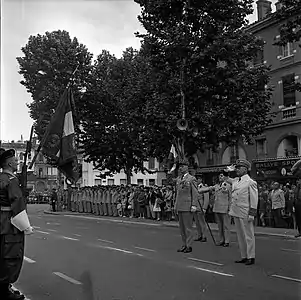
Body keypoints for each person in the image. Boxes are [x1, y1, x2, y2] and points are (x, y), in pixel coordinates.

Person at [0, 148, 33, 300]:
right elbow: (17, 203)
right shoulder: (11, 180)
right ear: (8, 162)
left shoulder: (1, 177)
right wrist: (25, 225)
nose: (17, 162)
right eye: (14, 160)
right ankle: (5, 290)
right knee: (10, 255)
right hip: (9, 222)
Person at [223, 159, 258, 266]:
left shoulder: (250, 182)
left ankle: (251, 256)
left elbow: (254, 198)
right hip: (236, 211)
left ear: (246, 169)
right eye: (236, 168)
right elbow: (225, 178)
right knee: (240, 236)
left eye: (239, 168)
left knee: (248, 235)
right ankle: (244, 256)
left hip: (245, 211)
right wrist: (227, 170)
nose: (237, 170)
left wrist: (252, 213)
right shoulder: (236, 180)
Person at [174, 159, 199, 253]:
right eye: (180, 166)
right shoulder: (178, 179)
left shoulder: (191, 179)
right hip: (180, 205)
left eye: (182, 166)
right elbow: (177, 194)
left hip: (187, 206)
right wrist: (175, 206)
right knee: (182, 228)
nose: (180, 168)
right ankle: (184, 244)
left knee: (188, 227)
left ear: (187, 167)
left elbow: (195, 193)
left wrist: (194, 205)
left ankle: (189, 245)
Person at [212, 174, 231, 247]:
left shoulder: (228, 185)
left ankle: (227, 241)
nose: (220, 177)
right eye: (219, 176)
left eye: (222, 176)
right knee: (220, 226)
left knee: (226, 226)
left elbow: (230, 198)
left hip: (225, 208)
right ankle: (221, 240)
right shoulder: (216, 186)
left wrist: (229, 208)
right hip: (217, 207)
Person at [291, 160, 301, 238]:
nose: (298, 181)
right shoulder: (297, 188)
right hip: (298, 203)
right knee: (298, 218)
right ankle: (300, 231)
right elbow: (293, 169)